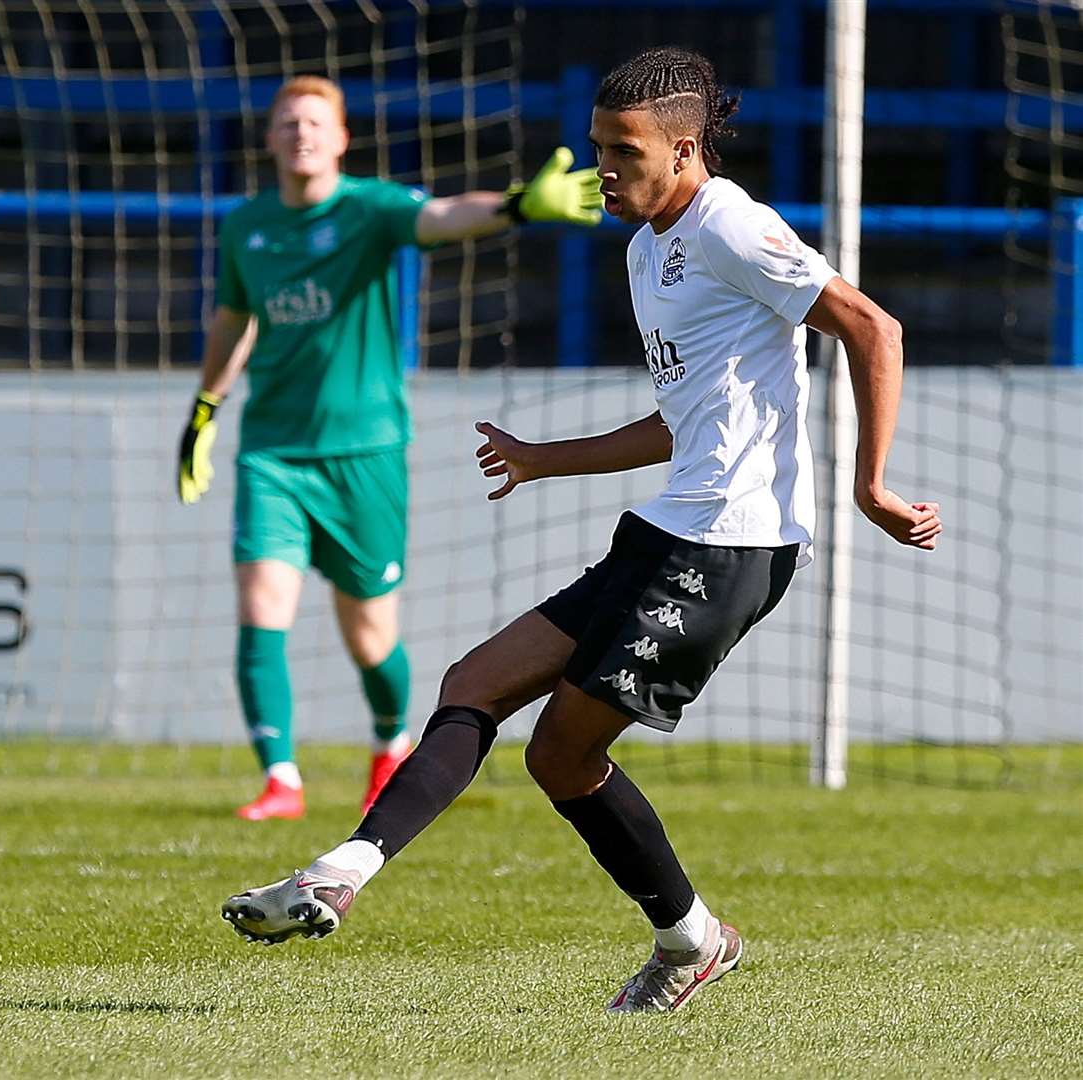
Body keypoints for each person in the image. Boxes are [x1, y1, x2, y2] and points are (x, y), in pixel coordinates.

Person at [221, 47, 942, 1012]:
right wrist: (541, 456)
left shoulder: (732, 225)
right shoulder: (649, 247)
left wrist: (871, 485)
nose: (603, 168)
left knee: (560, 752)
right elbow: (681, 418)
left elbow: (871, 326)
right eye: (599, 147)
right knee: (474, 684)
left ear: (684, 151)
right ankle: (338, 874)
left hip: (732, 546)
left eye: (623, 150)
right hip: (668, 529)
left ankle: (690, 944)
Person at [179, 74, 603, 820]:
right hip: (272, 451)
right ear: (270, 137)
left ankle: (387, 745)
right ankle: (281, 777)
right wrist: (207, 406)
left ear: (341, 138)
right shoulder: (246, 225)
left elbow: (441, 216)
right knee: (261, 604)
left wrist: (514, 206)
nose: (300, 132)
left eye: (314, 121)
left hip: (365, 453)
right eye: (287, 122)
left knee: (370, 633)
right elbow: (232, 322)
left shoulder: (369, 209)